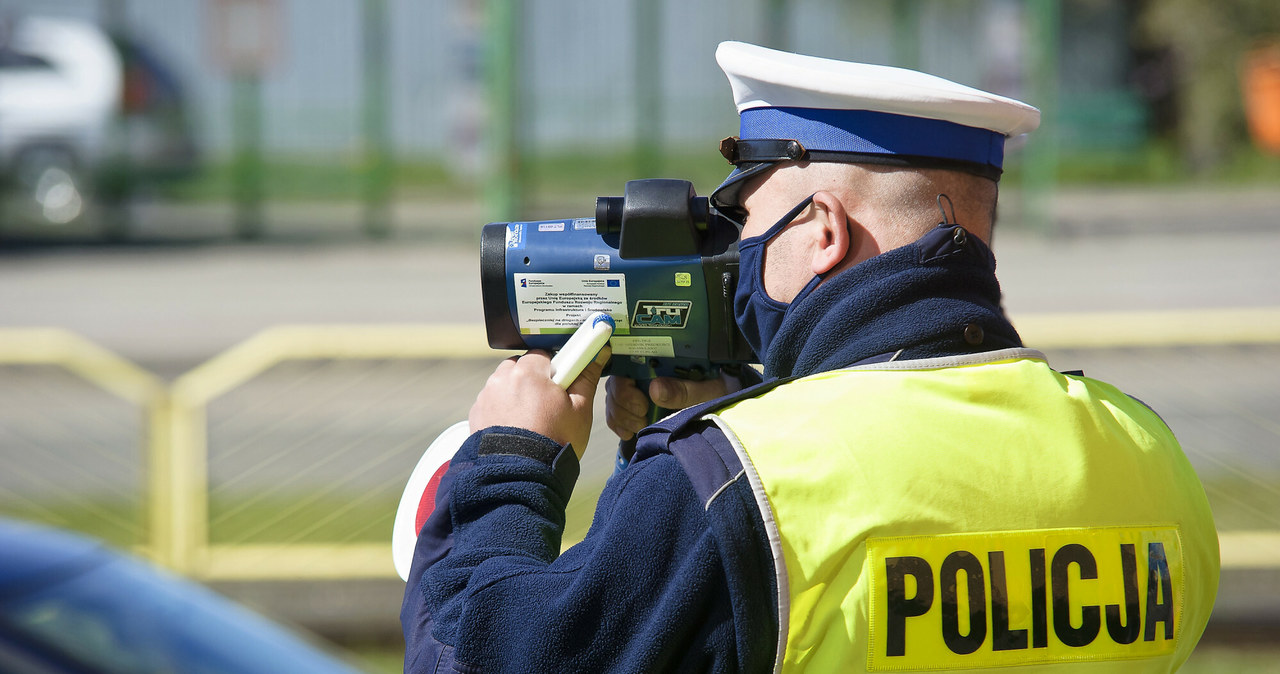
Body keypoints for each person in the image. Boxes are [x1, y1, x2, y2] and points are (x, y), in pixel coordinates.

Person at [402, 41, 1219, 673]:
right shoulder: (1145, 452)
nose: (738, 256)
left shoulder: (742, 478)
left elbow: (491, 653)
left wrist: (510, 463)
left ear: (822, 230)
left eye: (749, 225)